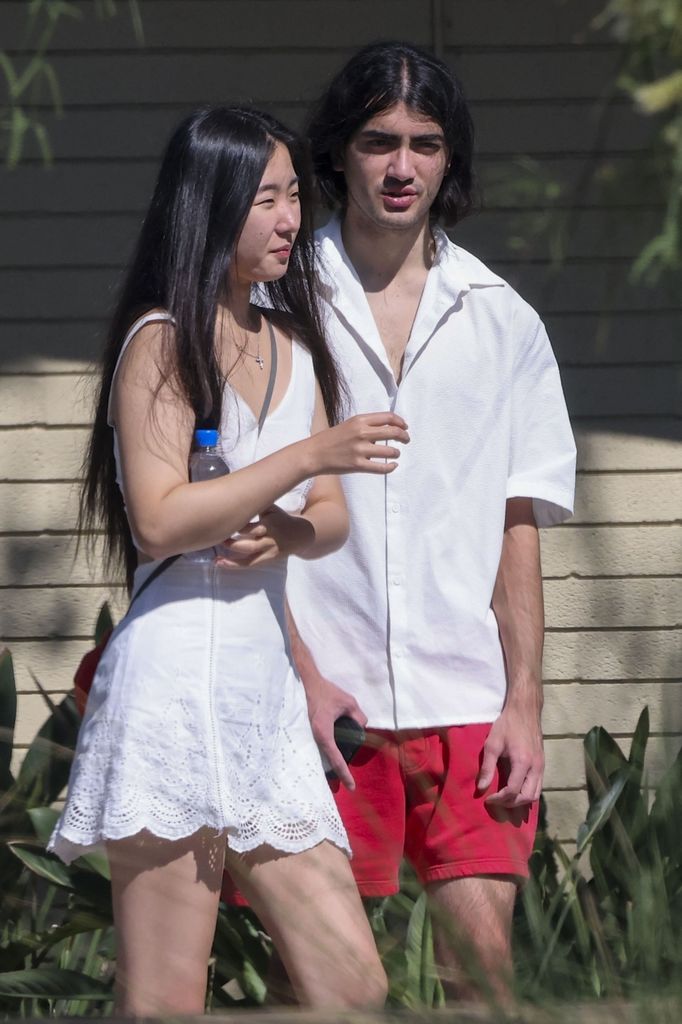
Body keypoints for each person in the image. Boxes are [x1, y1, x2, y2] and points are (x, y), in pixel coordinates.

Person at [221, 44, 576, 1003]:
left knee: (485, 985)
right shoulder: (272, 308)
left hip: (466, 702)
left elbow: (518, 524)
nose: (402, 166)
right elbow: (239, 503)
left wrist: (526, 704)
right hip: (321, 706)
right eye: (379, 141)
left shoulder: (507, 322)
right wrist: (299, 675)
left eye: (425, 143)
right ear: (339, 153)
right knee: (326, 993)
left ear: (451, 160)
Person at [48, 105, 409, 1015]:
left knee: (355, 988)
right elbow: (162, 521)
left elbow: (326, 522)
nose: (290, 219)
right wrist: (295, 465)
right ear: (208, 209)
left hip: (263, 702)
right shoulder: (159, 341)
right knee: (166, 1002)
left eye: (294, 196)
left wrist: (285, 528)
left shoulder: (295, 341)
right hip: (174, 686)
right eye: (265, 200)